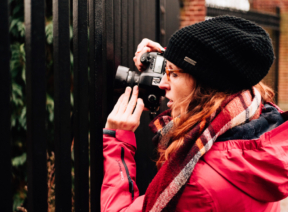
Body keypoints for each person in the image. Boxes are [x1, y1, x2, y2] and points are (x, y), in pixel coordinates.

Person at [101, 16, 288, 212]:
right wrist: (171, 57)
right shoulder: (258, 116)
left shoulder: (195, 185)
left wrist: (118, 145)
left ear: (204, 90)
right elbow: (214, 70)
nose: (162, 84)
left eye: (173, 74)